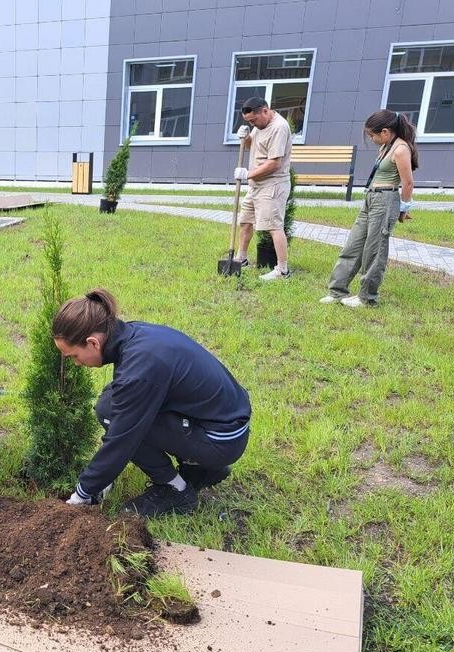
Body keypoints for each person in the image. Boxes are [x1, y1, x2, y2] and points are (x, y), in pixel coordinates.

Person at [54, 289, 251, 518]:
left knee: (110, 412)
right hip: (224, 423)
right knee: (113, 400)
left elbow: (121, 439)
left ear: (93, 343)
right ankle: (200, 469)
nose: (76, 364)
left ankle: (175, 490)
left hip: (220, 439)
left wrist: (82, 493)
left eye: (74, 356)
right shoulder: (135, 334)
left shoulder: (139, 369)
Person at [320, 110, 418, 308]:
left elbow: (408, 183)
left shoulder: (400, 149)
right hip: (371, 198)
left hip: (386, 200)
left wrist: (404, 208)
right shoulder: (386, 146)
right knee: (353, 244)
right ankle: (337, 291)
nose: (371, 139)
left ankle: (367, 298)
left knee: (374, 250)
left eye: (372, 135)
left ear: (385, 131)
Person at [232, 96, 292, 280]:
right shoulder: (260, 126)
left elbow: (274, 163)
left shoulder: (279, 128)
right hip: (256, 185)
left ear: (265, 111)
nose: (253, 124)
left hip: (272, 184)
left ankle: (282, 270)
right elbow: (254, 147)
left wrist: (247, 174)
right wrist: (245, 138)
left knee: (274, 226)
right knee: (245, 221)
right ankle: (241, 258)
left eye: (253, 120)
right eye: (249, 122)